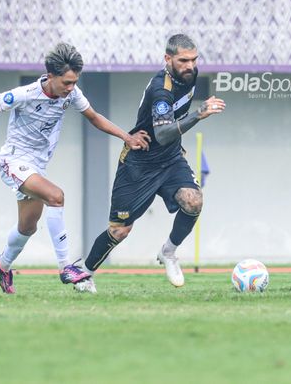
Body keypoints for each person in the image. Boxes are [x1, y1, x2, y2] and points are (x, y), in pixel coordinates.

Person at [0, 43, 150, 294]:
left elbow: (93, 116)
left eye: (74, 83)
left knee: (28, 227)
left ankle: (2, 265)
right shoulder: (25, 94)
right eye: (67, 83)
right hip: (13, 161)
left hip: (35, 166)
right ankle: (66, 267)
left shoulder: (71, 94)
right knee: (56, 197)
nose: (71, 88)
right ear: (50, 77)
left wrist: (127, 137)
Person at [77, 34, 225, 293]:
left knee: (194, 200)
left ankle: (169, 252)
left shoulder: (189, 75)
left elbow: (169, 138)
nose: (190, 66)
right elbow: (163, 134)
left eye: (193, 59)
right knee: (120, 231)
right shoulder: (161, 89)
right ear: (168, 59)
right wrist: (199, 114)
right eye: (183, 60)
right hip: (139, 164)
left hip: (170, 160)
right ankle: (85, 274)